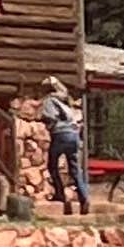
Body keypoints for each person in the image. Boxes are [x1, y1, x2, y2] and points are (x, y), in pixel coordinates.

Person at [41, 79, 90, 216]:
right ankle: (84, 197)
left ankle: (60, 194)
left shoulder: (49, 100)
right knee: (74, 168)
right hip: (73, 135)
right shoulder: (66, 100)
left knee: (52, 165)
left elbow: (51, 117)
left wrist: (46, 123)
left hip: (60, 134)